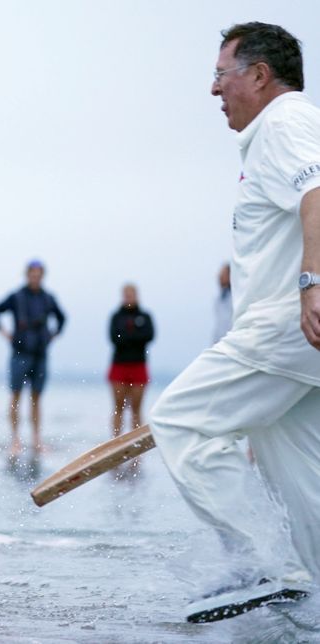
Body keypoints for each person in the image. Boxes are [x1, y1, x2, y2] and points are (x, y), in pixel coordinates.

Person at [149, 22, 320, 623]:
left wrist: (312, 283)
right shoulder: (287, 128)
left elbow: (319, 191)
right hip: (298, 337)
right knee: (297, 468)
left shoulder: (284, 122)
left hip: (291, 325)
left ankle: (266, 564)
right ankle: (312, 597)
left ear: (259, 75)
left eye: (221, 75)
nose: (213, 89)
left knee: (180, 421)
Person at [0, 260, 66, 460]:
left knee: (36, 398)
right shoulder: (16, 297)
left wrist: (53, 335)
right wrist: (4, 332)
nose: (35, 277)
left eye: (39, 274)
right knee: (15, 396)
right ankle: (14, 440)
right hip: (20, 352)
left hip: (40, 353)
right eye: (32, 273)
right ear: (27, 274)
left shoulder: (48, 298)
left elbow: (62, 318)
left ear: (42, 276)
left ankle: (36, 440)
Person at [107, 284, 155, 440]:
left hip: (138, 365)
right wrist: (134, 337)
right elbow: (114, 338)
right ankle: (115, 440)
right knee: (118, 407)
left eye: (131, 294)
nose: (128, 297)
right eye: (126, 294)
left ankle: (136, 445)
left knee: (136, 408)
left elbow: (149, 336)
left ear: (136, 295)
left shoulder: (145, 316)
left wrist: (128, 337)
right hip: (119, 365)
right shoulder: (116, 317)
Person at [212, 263, 233, 344]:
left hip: (231, 342)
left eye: (223, 274)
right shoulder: (218, 300)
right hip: (219, 342)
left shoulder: (235, 298)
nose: (219, 277)